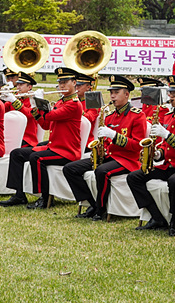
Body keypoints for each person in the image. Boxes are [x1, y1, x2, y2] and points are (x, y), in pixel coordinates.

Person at [127, 74, 175, 235]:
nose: (171, 95)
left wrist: (166, 134)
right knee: (134, 177)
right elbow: (166, 146)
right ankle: (157, 217)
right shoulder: (169, 115)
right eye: (170, 92)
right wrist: (157, 154)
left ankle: (174, 222)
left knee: (174, 181)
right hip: (169, 164)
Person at [62, 75, 147, 220]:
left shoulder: (137, 116)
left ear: (126, 94)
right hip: (110, 156)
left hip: (128, 160)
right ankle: (92, 203)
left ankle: (101, 210)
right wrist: (101, 148)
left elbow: (137, 146)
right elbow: (106, 142)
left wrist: (114, 136)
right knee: (70, 169)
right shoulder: (109, 116)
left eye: (116, 93)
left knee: (102, 171)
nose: (112, 96)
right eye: (111, 93)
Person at [1, 67, 85, 209]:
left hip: (66, 150)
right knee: (17, 153)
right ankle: (19, 194)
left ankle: (44, 198)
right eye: (60, 82)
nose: (62, 85)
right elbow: (46, 124)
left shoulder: (74, 105)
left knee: (37, 158)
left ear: (74, 83)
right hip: (55, 146)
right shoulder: (60, 102)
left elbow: (50, 115)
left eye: (65, 82)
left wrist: (36, 102)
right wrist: (36, 107)